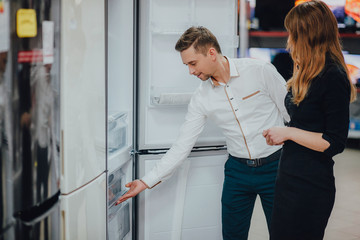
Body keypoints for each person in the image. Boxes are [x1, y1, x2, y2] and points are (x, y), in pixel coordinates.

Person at [116, 26, 290, 239]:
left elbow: (291, 113)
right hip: (237, 172)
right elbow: (182, 146)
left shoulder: (260, 70)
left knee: (283, 232)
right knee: (232, 235)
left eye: (193, 63)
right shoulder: (201, 98)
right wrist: (145, 181)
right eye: (187, 65)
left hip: (276, 167)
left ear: (211, 53)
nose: (190, 71)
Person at [262, 1, 357, 239]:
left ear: (308, 34)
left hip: (311, 184)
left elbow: (334, 142)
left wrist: (288, 133)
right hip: (289, 175)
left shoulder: (333, 75)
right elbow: (306, 122)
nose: (289, 39)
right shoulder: (306, 69)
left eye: (293, 33)